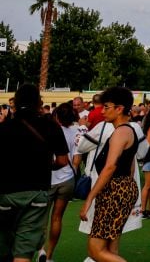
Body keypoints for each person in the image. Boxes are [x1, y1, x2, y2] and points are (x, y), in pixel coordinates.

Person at [0, 85, 69, 262]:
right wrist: (47, 166)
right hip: (37, 192)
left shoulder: (5, 127)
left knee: (5, 246)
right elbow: (62, 161)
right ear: (39, 102)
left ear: (15, 102)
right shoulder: (51, 126)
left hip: (6, 193)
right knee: (24, 250)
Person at [79, 87, 141, 262]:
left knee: (95, 249)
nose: (102, 111)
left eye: (107, 107)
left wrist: (90, 198)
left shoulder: (121, 132)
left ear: (119, 109)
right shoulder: (127, 130)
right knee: (110, 247)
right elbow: (128, 167)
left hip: (115, 190)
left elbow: (109, 168)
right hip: (122, 189)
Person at [42, 102, 80, 262]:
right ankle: (49, 255)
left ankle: (41, 250)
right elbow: (77, 159)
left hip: (49, 178)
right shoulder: (77, 131)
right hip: (67, 179)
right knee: (57, 218)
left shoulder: (48, 130)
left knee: (41, 218)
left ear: (56, 115)